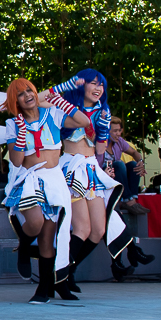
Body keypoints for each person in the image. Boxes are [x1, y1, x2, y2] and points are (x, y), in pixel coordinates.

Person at [3, 78, 89, 304]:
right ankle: (23, 246)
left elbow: (84, 121)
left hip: (54, 180)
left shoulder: (53, 114)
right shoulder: (13, 123)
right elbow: (17, 160)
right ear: (15, 101)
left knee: (47, 238)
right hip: (29, 179)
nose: (27, 96)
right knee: (35, 223)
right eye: (20, 94)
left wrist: (62, 103)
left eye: (29, 91)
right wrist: (22, 133)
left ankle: (44, 289)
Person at [56, 71, 134, 298]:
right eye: (93, 83)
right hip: (72, 168)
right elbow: (44, 102)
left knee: (99, 230)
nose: (98, 88)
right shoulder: (68, 108)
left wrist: (103, 127)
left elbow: (100, 150)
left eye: (101, 84)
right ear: (81, 85)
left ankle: (69, 271)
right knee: (82, 228)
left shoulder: (103, 111)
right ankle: (59, 277)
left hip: (91, 170)